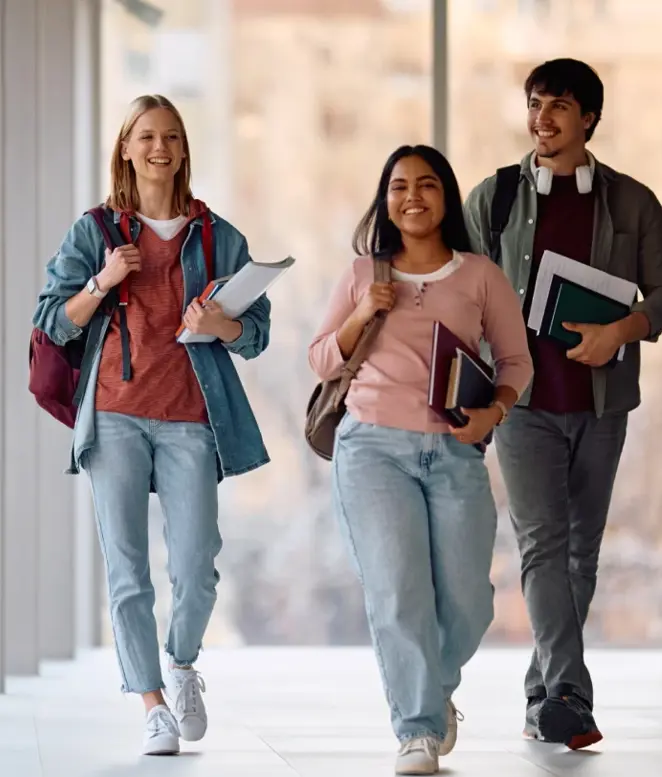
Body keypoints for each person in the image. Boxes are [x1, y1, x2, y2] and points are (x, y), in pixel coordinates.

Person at [33, 95, 271, 756]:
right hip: (113, 416)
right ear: (126, 148)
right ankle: (151, 702)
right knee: (128, 571)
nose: (159, 147)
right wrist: (103, 281)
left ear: (184, 149)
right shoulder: (96, 231)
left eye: (170, 136)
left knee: (197, 565)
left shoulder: (220, 236)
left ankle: (183, 661)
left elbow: (256, 335)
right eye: (146, 136)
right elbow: (55, 319)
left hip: (191, 417)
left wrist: (222, 325)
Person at [464, 59, 662, 749]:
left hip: (602, 402)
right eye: (535, 105)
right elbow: (458, 288)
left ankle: (543, 693)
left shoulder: (632, 202)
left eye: (558, 106)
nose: (542, 119)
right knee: (542, 545)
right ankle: (570, 693)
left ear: (588, 116)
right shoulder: (494, 197)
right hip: (522, 401)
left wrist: (619, 331)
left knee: (581, 553)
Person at [309, 145, 533, 775]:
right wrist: (363, 311)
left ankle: (432, 693)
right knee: (398, 591)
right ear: (385, 199)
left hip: (455, 449)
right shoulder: (362, 272)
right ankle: (417, 731)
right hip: (372, 449)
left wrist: (494, 414)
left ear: (447, 196)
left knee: (469, 600)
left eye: (427, 184)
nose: (413, 196)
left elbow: (517, 362)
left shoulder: (481, 275)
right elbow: (323, 360)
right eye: (399, 185)